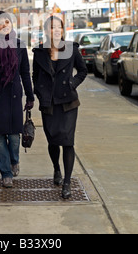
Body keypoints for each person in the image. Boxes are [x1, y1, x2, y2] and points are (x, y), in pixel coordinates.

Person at [32, 16, 87, 199]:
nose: (56, 30)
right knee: (53, 141)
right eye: (52, 27)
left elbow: (83, 71)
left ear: (62, 31)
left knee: (68, 142)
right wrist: (39, 91)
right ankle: (57, 169)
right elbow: (35, 75)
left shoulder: (71, 49)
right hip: (49, 103)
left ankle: (67, 182)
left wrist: (73, 83)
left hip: (68, 103)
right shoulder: (40, 52)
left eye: (59, 28)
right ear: (46, 31)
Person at [0, 11, 34, 188]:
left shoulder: (19, 46)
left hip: (14, 95)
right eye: (0, 23)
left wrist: (30, 95)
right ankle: (5, 173)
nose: (4, 25)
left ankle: (14, 160)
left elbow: (25, 72)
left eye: (7, 22)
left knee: (15, 136)